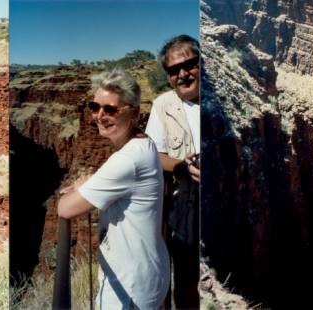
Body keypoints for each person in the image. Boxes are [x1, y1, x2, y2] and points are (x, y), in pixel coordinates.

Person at [58, 68, 170, 309]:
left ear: (135, 113)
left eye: (110, 109)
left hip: (129, 286)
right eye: (94, 107)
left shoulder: (127, 159)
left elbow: (65, 208)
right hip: (147, 273)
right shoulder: (144, 143)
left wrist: (82, 186)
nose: (99, 116)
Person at [145, 34, 201, 309]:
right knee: (187, 280)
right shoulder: (163, 106)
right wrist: (182, 167)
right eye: (173, 70)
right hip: (184, 212)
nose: (182, 74)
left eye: (190, 64)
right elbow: (155, 154)